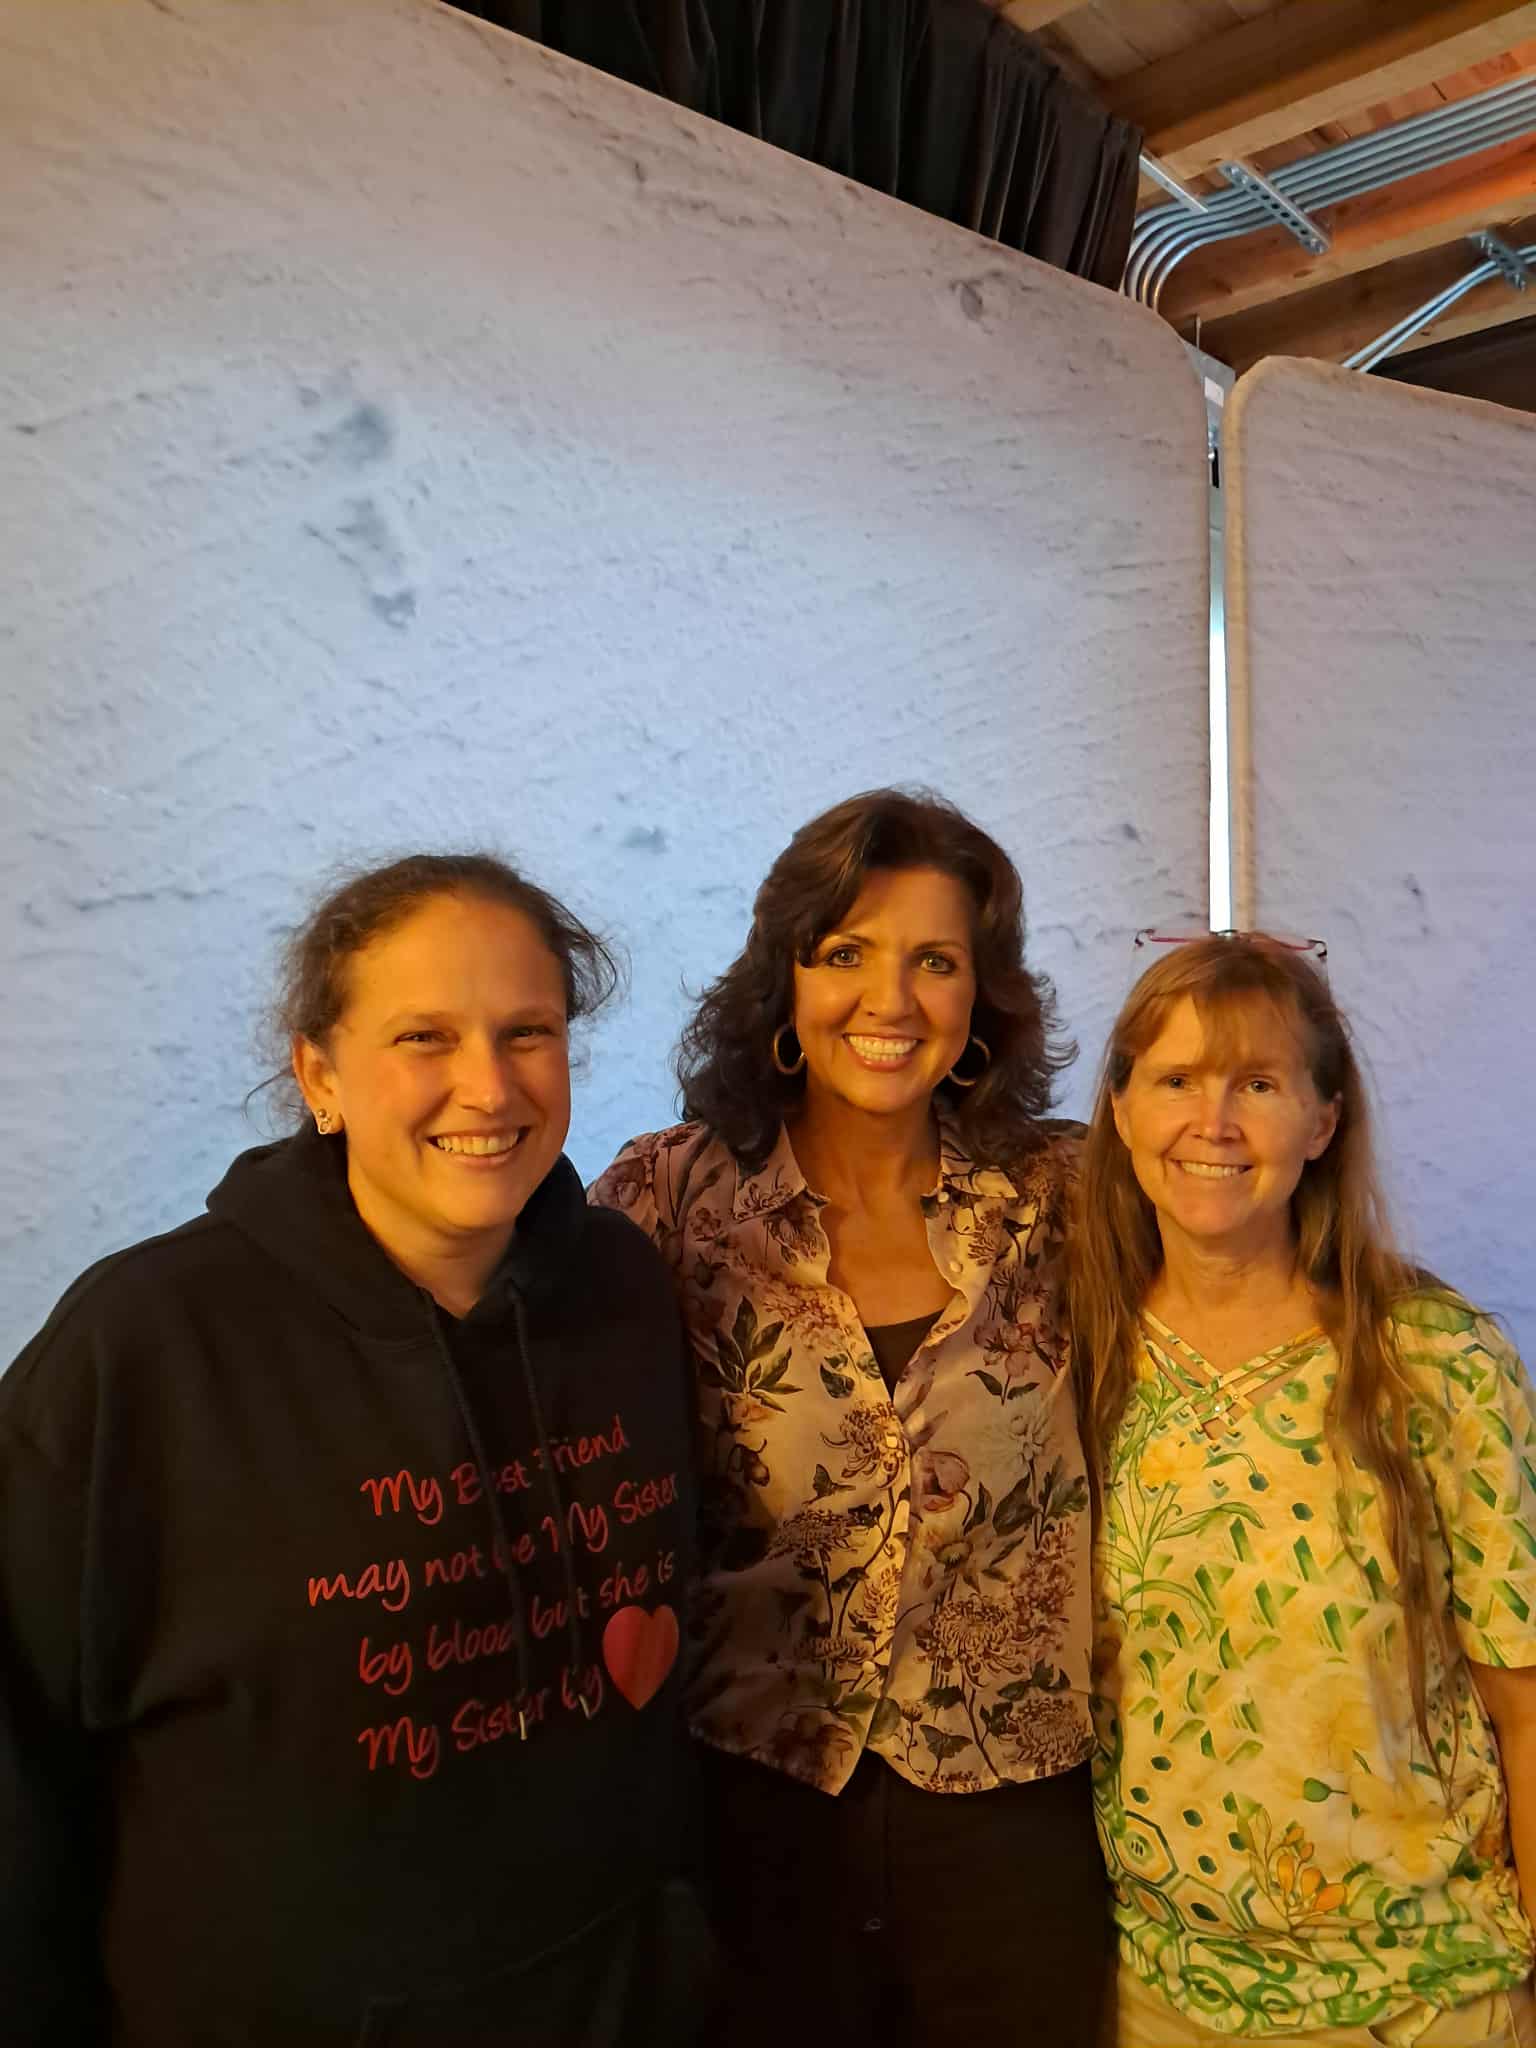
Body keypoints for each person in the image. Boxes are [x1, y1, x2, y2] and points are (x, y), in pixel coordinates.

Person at [0, 853, 709, 2046]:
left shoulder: (625, 1288)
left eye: (527, 1032)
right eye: (425, 1036)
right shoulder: (143, 1348)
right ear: (319, 1074)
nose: (488, 1085)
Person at [590, 788, 1110, 2045]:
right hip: (753, 1822)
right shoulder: (671, 1195)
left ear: (981, 995)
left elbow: (1255, 1287)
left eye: (936, 960)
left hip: (1015, 1830)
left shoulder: (1070, 1194)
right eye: (846, 953)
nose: (892, 999)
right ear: (785, 978)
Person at [1073, 931, 1536, 2047]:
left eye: (1259, 1084)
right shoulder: (1069, 1356)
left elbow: (1527, 1707)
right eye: (1176, 1080)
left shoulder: (1434, 1357)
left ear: (1323, 1121)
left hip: (1428, 1996)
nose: (1214, 1121)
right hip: (1160, 1998)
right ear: (1122, 1110)